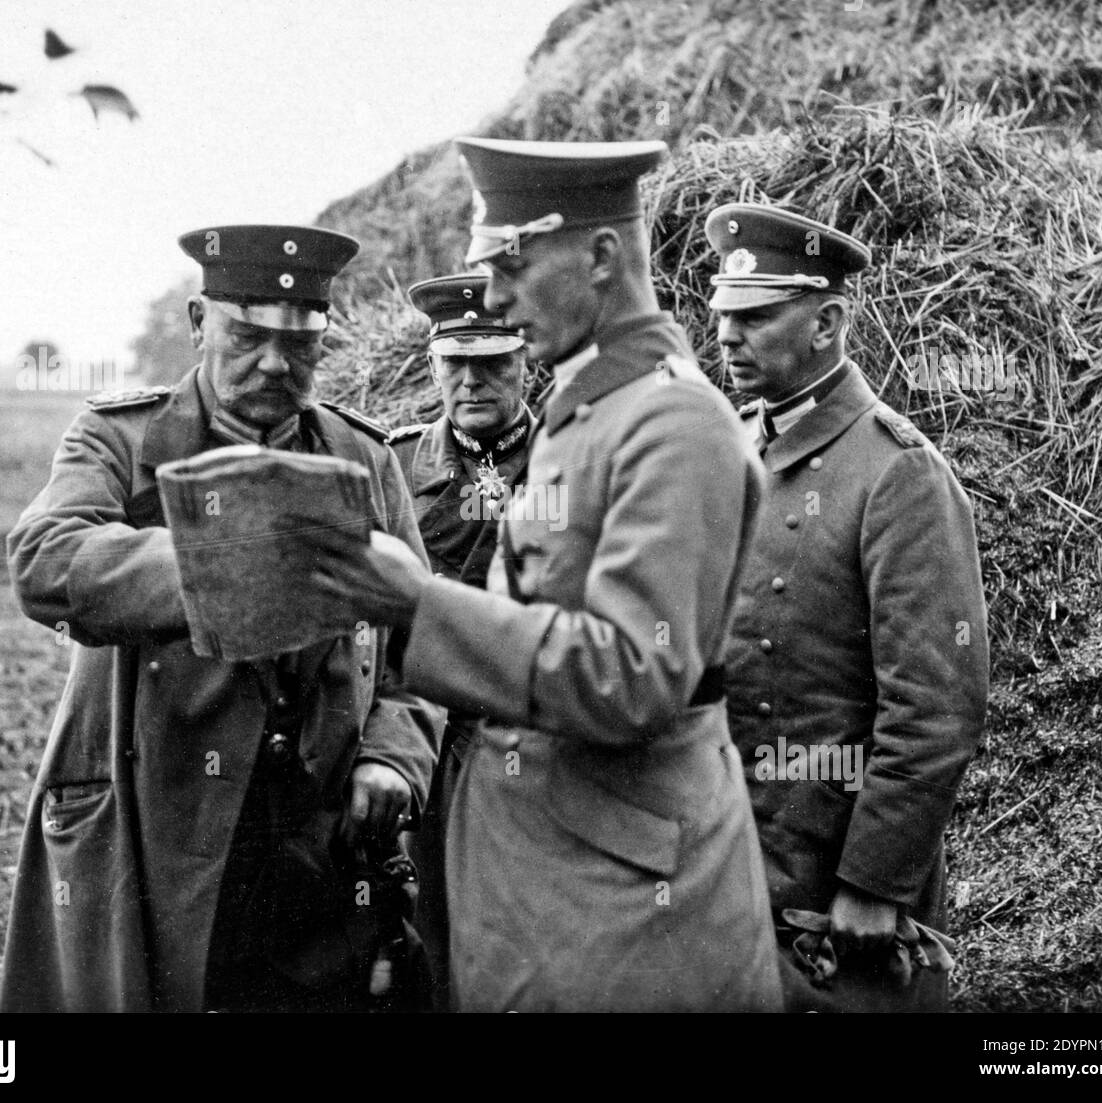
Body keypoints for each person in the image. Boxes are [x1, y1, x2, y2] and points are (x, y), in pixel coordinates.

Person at [309, 138, 783, 1012]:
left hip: (624, 902)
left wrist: (415, 603)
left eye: (513, 262)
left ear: (601, 255)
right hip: (560, 873)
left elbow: (634, 673)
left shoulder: (675, 425)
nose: (492, 294)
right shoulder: (590, 409)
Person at [0, 224, 443, 1013]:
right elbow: (46, 559)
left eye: (297, 343)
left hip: (315, 843)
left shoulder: (366, 458)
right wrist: (224, 560)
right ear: (201, 324)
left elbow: (419, 645)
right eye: (246, 335)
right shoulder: (122, 440)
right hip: (157, 831)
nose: (273, 363)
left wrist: (394, 757)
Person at [705, 202, 989, 1011]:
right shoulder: (730, 452)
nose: (728, 336)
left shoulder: (897, 473)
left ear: (828, 320)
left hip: (832, 908)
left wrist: (874, 882)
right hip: (727, 871)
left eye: (757, 317)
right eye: (724, 314)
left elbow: (937, 707)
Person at [387, 272, 535, 1006]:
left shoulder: (574, 461)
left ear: (525, 360)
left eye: (493, 363)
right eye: (456, 364)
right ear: (433, 367)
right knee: (431, 935)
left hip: (539, 739)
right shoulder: (396, 467)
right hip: (432, 740)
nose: (472, 382)